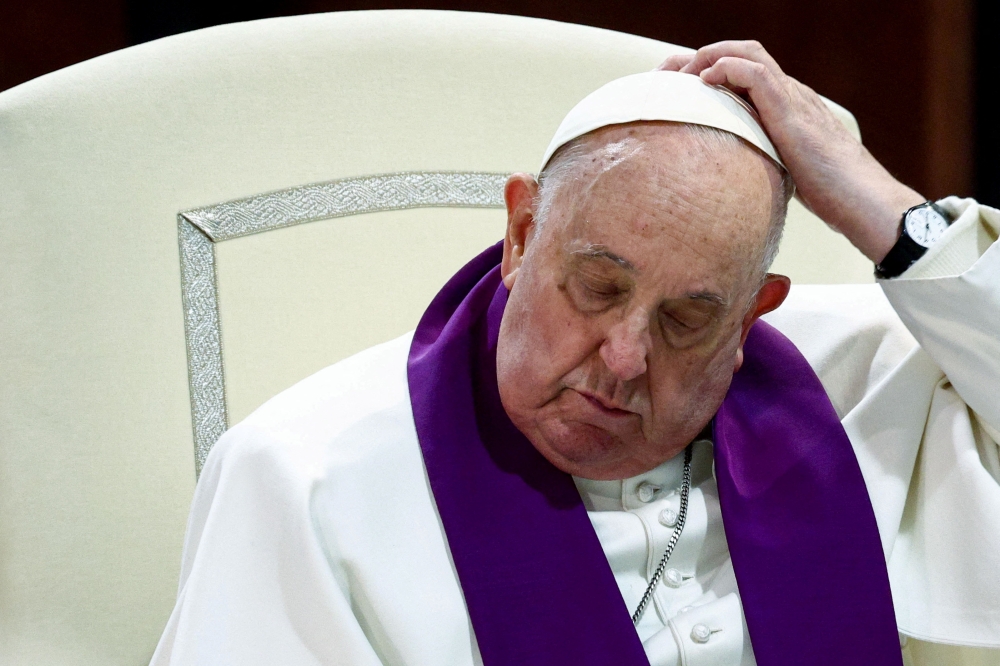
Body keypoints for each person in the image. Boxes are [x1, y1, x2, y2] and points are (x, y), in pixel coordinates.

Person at [150, 41, 1000, 665]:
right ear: (522, 234)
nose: (624, 359)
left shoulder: (871, 378)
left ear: (750, 320)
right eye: (597, 287)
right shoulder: (304, 477)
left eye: (686, 320)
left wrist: (883, 206)